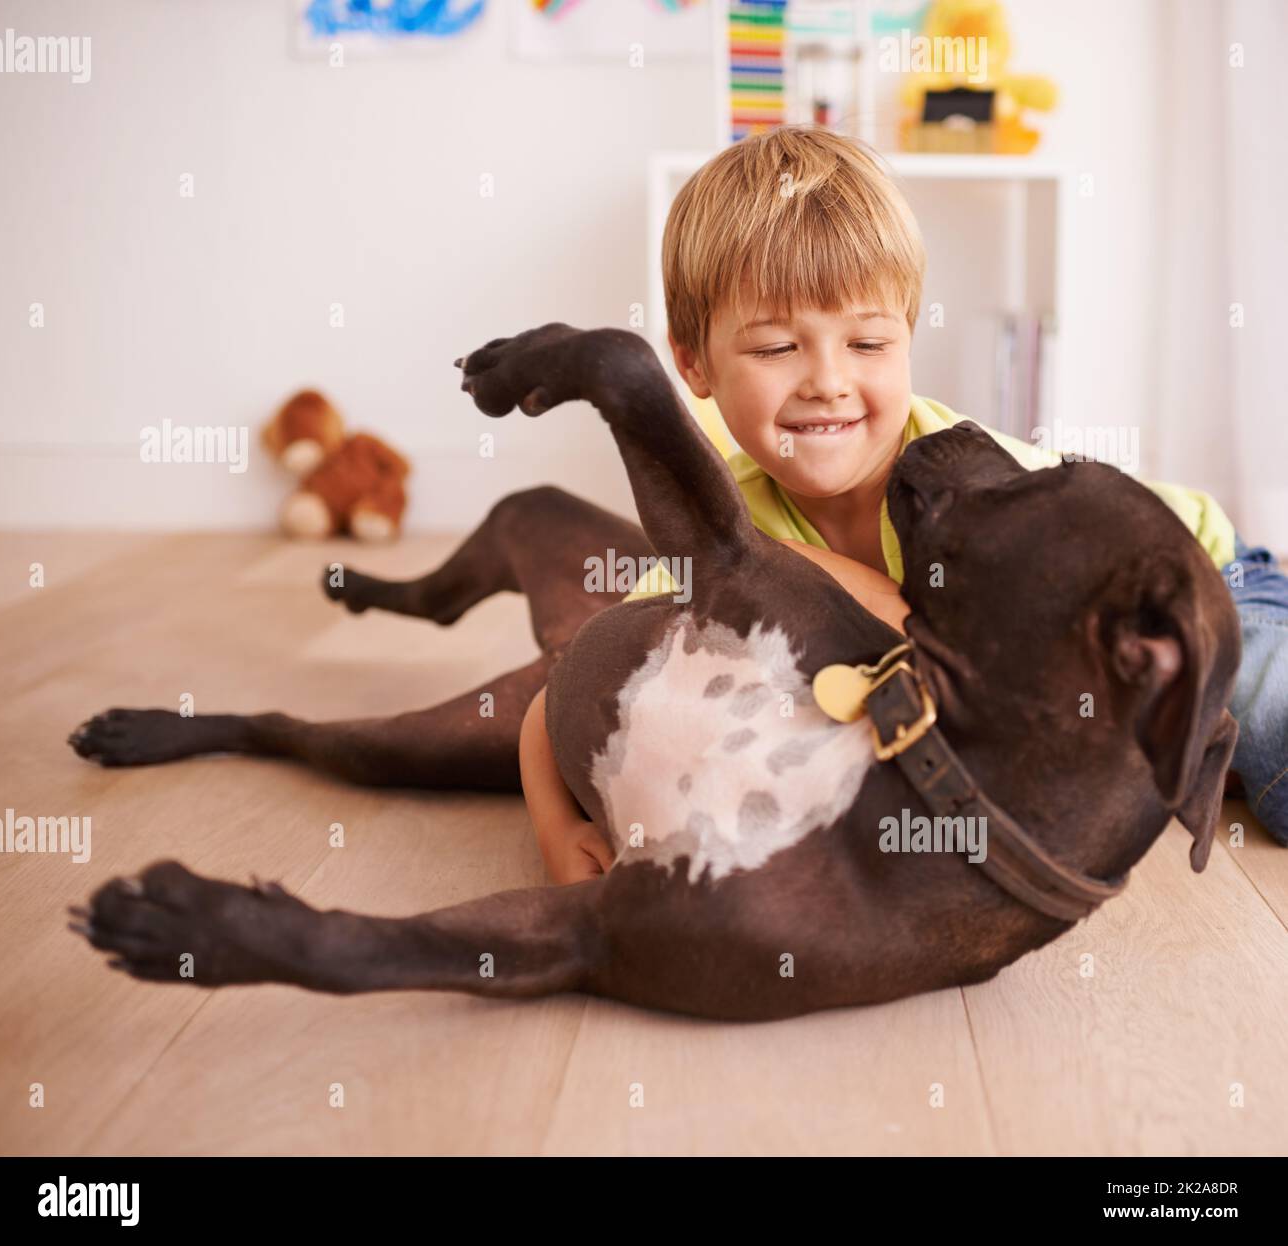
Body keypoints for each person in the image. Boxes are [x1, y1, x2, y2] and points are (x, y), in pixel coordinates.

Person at [519, 124, 1287, 884]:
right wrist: (559, 829)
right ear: (693, 363)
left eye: (868, 344)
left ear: (909, 340)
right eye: (776, 348)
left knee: (1268, 724)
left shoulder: (973, 482)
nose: (827, 380)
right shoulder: (721, 524)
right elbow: (568, 687)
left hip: (1204, 581)